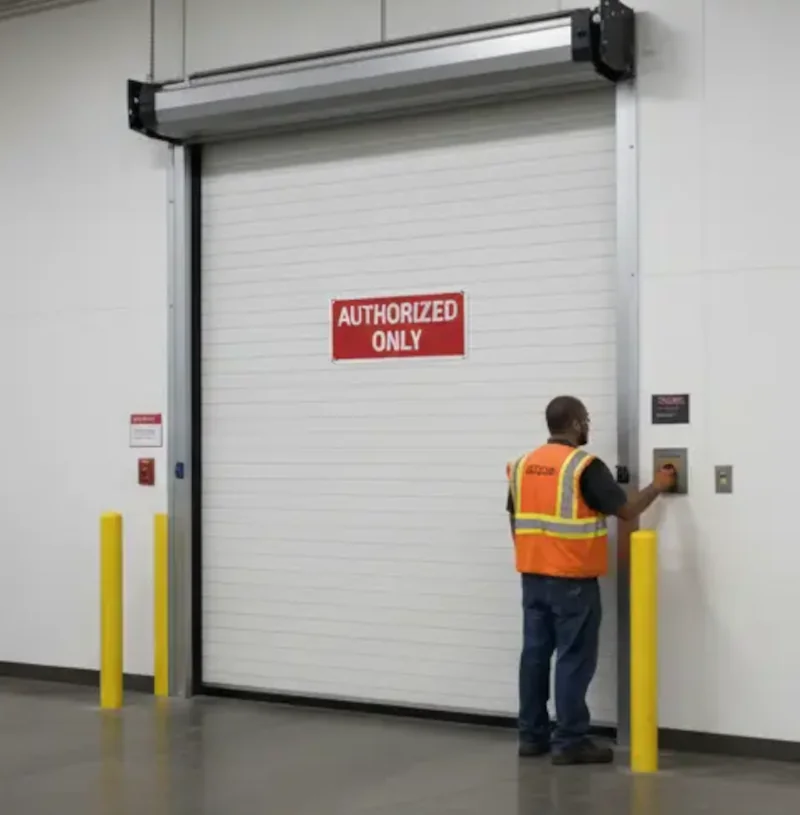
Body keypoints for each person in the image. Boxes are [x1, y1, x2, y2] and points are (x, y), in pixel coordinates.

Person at [506, 395, 675, 765]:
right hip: (573, 582)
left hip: (533, 578)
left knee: (534, 655)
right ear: (577, 423)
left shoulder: (522, 465)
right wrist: (658, 486)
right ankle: (570, 742)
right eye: (586, 420)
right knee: (573, 659)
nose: (589, 426)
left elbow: (515, 519)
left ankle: (531, 737)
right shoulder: (583, 467)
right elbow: (626, 510)